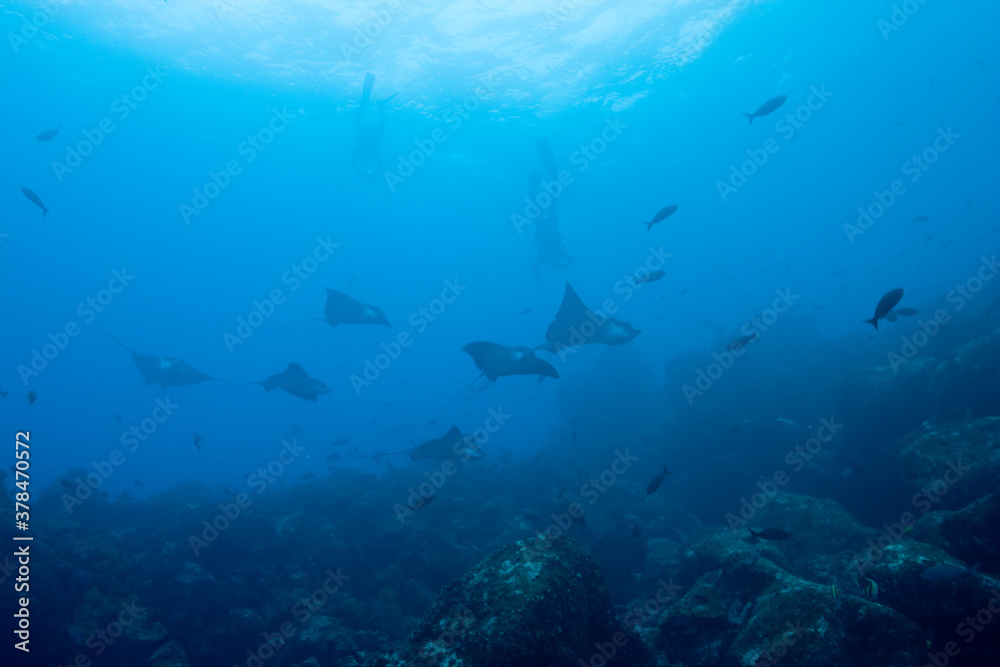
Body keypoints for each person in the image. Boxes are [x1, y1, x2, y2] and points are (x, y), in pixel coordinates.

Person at [352, 72, 396, 178]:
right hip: (369, 135)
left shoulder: (364, 152)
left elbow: (353, 162)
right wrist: (379, 169)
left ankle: (371, 104)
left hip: (368, 135)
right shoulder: (370, 153)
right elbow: (354, 162)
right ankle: (373, 105)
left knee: (380, 126)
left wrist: (359, 171)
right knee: (357, 120)